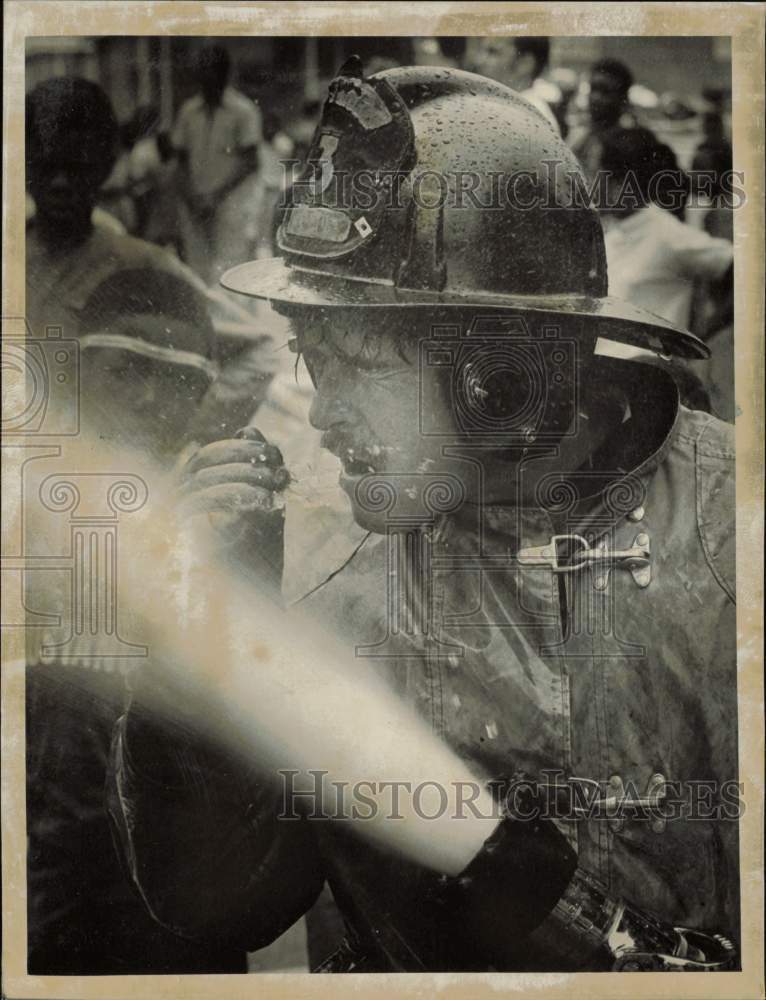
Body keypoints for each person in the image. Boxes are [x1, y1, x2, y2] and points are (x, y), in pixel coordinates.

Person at [107, 64, 738, 972]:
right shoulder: (326, 559)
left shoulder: (731, 538)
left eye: (359, 363)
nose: (322, 414)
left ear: (502, 365)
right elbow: (222, 901)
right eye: (312, 360)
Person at [24, 76, 248, 974]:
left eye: (82, 158)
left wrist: (188, 438)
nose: (61, 177)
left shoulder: (138, 269)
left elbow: (226, 350)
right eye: (44, 158)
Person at [596, 126, 733, 414]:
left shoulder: (667, 235)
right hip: (603, 378)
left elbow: (737, 265)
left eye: (601, 177)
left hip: (645, 385)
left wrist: (708, 333)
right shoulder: (610, 231)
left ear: (624, 182)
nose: (592, 185)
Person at [173, 44, 262, 285]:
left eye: (214, 71)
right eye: (203, 71)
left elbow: (251, 162)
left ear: (224, 73)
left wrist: (215, 196)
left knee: (229, 269)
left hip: (229, 203)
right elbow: (179, 162)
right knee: (196, 272)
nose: (207, 77)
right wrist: (192, 197)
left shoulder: (243, 111)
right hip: (194, 204)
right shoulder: (188, 111)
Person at [467, 36, 560, 131]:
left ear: (525, 63)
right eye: (481, 51)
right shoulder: (508, 107)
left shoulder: (529, 118)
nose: (479, 61)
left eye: (493, 52)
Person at [569, 58, 637, 177]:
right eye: (593, 89)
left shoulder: (629, 146)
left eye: (605, 92)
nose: (595, 98)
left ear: (623, 99)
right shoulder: (580, 138)